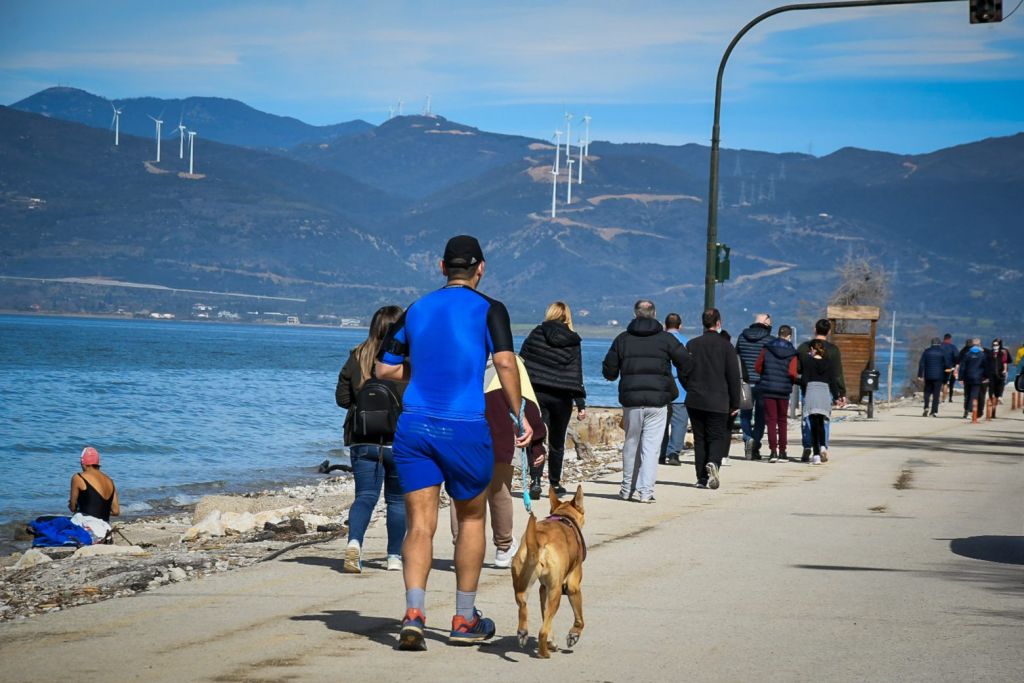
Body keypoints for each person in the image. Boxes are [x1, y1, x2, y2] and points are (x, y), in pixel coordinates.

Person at [376, 235, 532, 651]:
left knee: (420, 524)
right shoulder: (490, 309)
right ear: (481, 269)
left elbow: (383, 370)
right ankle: (463, 617)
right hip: (464, 427)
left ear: (441, 267)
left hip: (416, 427)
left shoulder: (415, 309)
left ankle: (413, 613)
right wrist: (517, 415)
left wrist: (424, 370)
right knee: (471, 520)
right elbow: (503, 361)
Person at [449, 355, 546, 568]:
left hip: (461, 438)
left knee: (461, 492)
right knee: (500, 492)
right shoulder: (511, 362)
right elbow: (527, 406)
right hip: (499, 438)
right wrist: (537, 444)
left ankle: (461, 547)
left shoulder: (460, 358)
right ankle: (503, 548)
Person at [335, 305, 407, 574]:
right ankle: (394, 557)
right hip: (399, 440)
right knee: (397, 501)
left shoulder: (358, 355)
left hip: (362, 438)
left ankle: (354, 542)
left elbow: (342, 399)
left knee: (365, 496)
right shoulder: (407, 360)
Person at [602, 299, 690, 503]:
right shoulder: (666, 339)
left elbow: (610, 371)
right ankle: (646, 492)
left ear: (635, 314)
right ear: (655, 314)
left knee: (631, 443)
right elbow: (686, 362)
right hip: (658, 400)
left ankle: (626, 489)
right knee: (651, 447)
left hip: (632, 400)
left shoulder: (622, 339)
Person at [519, 301, 586, 498]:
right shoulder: (573, 340)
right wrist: (580, 402)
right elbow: (576, 373)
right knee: (557, 441)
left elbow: (522, 362)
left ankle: (536, 481)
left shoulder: (536, 334)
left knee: (537, 436)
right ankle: (555, 484)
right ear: (567, 316)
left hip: (537, 393)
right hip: (562, 397)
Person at [682, 309, 741, 489]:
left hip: (695, 399)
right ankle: (714, 463)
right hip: (718, 399)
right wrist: (735, 402)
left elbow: (683, 371)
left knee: (700, 438)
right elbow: (733, 377)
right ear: (718, 323)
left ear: (703, 323)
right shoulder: (726, 347)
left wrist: (689, 388)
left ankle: (700, 478)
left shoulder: (692, 345)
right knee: (716, 436)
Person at [796, 320, 847, 460]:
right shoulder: (833, 350)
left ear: (814, 329)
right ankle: (823, 445)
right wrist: (841, 393)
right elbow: (837, 373)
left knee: (807, 418)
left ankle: (808, 446)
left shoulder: (803, 347)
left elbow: (798, 369)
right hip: (825, 390)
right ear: (829, 331)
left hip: (808, 388)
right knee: (824, 418)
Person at [754, 325, 798, 462]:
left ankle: (773, 451)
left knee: (771, 420)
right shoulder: (792, 352)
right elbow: (792, 372)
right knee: (782, 420)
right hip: (784, 389)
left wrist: (767, 374)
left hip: (768, 387)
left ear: (778, 334)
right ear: (789, 336)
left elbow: (757, 367)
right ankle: (783, 451)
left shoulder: (767, 348)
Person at [735, 313, 774, 460]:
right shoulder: (770, 340)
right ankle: (756, 444)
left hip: (745, 382)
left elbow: (736, 357)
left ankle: (747, 437)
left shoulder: (741, 337)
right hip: (763, 382)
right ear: (767, 326)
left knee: (745, 414)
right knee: (760, 417)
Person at [800, 340, 840, 464]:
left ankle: (816, 455)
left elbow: (804, 380)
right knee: (822, 422)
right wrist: (836, 396)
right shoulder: (829, 362)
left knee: (813, 424)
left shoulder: (808, 362)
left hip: (812, 391)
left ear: (813, 349)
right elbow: (833, 381)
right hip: (824, 392)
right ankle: (823, 446)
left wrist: (803, 389)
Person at [69, 446, 119, 542]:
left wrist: (73, 505)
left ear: (83, 463)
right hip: (106, 528)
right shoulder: (110, 480)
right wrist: (99, 509)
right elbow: (116, 511)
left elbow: (72, 508)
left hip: (88, 525)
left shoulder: (78, 477)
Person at [660, 313, 689, 467]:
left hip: (661, 387)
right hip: (681, 389)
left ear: (665, 325)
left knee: (660, 423)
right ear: (680, 325)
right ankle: (673, 453)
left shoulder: (659, 341)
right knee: (679, 423)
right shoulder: (686, 342)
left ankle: (660, 452)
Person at [917, 337, 950, 417]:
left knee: (927, 392)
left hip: (928, 375)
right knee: (936, 394)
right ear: (939, 343)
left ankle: (926, 407)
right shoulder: (943, 352)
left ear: (931, 343)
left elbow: (921, 364)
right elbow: (947, 365)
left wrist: (920, 375)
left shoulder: (926, 352)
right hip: (939, 376)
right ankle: (934, 411)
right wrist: (947, 372)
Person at [958, 338, 989, 420]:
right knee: (973, 395)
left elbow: (962, 367)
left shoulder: (967, 354)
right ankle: (969, 410)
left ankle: (966, 410)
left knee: (967, 394)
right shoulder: (982, 355)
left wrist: (960, 377)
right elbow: (986, 367)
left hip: (967, 377)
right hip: (977, 378)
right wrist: (986, 377)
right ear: (979, 345)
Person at [986, 338, 1011, 418]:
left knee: (997, 394)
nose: (995, 346)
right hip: (991, 375)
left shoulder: (1002, 353)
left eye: (996, 345)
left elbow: (1005, 362)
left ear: (999, 345)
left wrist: (1005, 370)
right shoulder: (989, 353)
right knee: (991, 393)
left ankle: (994, 410)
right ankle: (991, 410)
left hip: (999, 375)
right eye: (994, 345)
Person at [941, 334, 959, 402]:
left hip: (940, 367)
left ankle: (940, 395)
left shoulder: (940, 346)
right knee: (951, 382)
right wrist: (955, 365)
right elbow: (957, 357)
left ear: (944, 339)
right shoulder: (953, 347)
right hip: (950, 367)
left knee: (941, 382)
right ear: (950, 339)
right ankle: (950, 397)